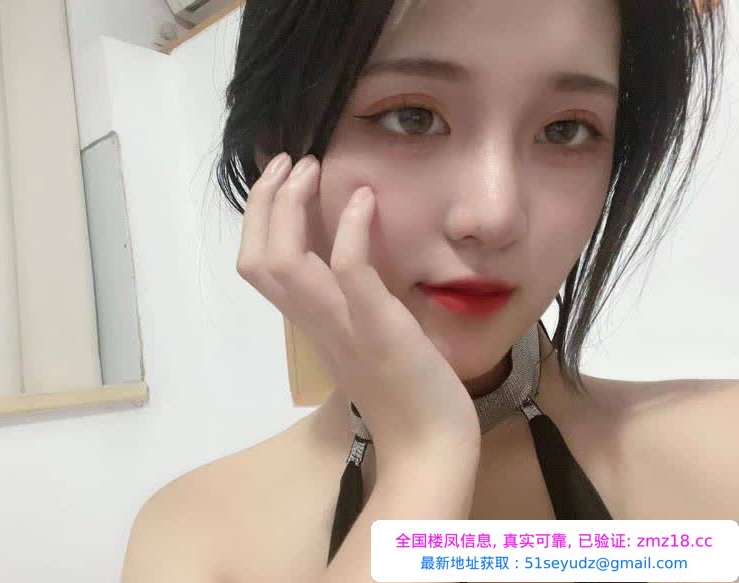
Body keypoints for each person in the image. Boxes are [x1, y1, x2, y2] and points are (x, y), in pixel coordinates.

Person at [120, 1, 736, 582]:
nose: (494, 215)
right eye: (411, 117)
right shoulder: (193, 537)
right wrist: (425, 460)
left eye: (565, 129)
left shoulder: (723, 449)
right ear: (277, 152)